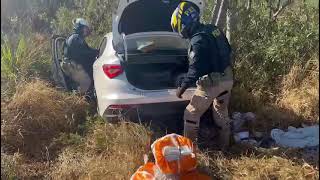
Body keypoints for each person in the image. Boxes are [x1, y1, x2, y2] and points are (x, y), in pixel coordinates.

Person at [171, 1, 234, 149]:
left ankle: (190, 151)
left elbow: (195, 70)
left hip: (213, 83)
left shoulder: (197, 41)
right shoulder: (213, 29)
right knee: (221, 111)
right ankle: (225, 147)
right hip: (228, 79)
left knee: (190, 114)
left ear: (183, 24)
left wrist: (182, 88)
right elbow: (228, 50)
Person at [63, 18, 99, 96]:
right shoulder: (76, 38)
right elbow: (83, 53)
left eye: (86, 28)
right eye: (84, 28)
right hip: (75, 67)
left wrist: (97, 52)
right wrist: (96, 53)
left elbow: (87, 50)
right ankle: (86, 99)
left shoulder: (76, 38)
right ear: (79, 27)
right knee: (87, 83)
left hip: (75, 66)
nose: (86, 30)